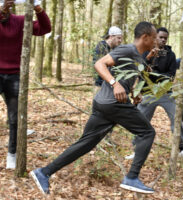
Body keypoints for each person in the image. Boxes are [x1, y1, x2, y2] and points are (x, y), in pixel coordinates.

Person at [30, 21, 157, 195]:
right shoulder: (127, 49)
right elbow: (99, 64)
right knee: (147, 132)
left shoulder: (138, 56)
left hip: (104, 104)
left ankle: (44, 172)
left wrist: (133, 93)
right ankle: (132, 177)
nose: (157, 40)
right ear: (145, 37)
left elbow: (124, 77)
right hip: (113, 104)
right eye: (155, 37)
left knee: (85, 144)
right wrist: (114, 84)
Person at [126, 27, 183, 161]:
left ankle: (181, 149)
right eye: (160, 37)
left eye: (165, 38)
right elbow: (140, 70)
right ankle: (137, 150)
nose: (163, 40)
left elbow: (170, 76)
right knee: (140, 121)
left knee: (177, 119)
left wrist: (153, 75)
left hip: (166, 93)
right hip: (147, 92)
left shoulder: (170, 55)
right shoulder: (145, 51)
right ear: (154, 37)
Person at [0, 0, 51, 169]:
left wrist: (37, 7)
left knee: (14, 118)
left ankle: (12, 155)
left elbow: (45, 29)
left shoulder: (20, 21)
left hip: (14, 76)